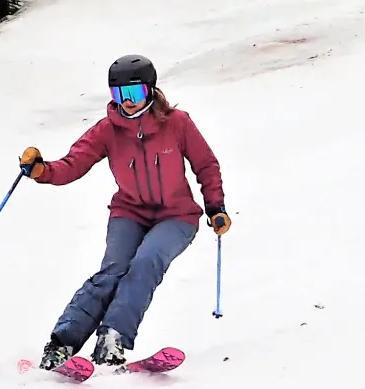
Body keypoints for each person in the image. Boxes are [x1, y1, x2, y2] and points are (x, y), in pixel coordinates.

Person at [19, 54, 231, 369]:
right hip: (129, 212)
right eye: (120, 95)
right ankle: (62, 344)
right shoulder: (108, 130)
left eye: (134, 94)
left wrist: (215, 206)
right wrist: (42, 171)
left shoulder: (177, 123)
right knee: (112, 272)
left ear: (150, 90)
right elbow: (73, 163)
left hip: (177, 216)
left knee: (145, 264)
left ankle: (112, 338)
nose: (128, 102)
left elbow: (206, 165)